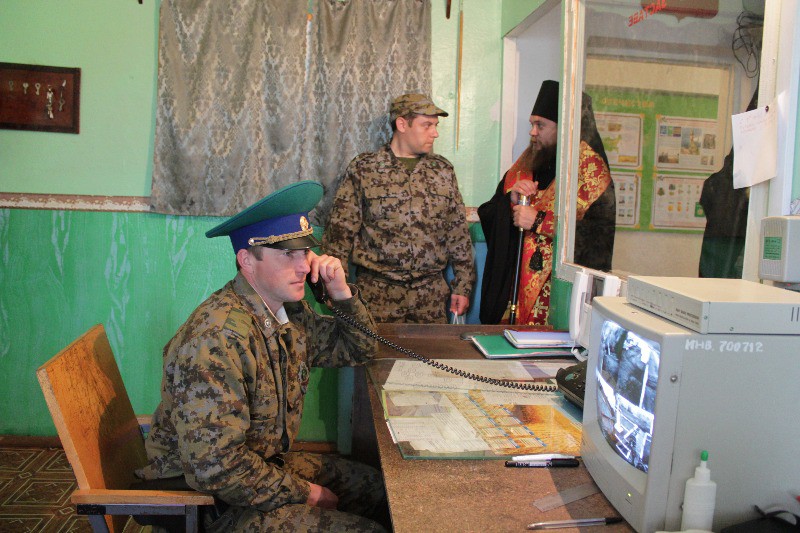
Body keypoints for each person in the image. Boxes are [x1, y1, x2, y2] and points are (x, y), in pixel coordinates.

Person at [135, 181, 388, 532]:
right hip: (208, 502)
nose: (303, 267)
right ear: (246, 261)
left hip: (259, 468)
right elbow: (217, 468)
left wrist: (340, 292)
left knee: (380, 490)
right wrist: (306, 493)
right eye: (287, 254)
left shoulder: (287, 314)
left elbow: (360, 348)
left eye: (305, 253)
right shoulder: (216, 340)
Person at [322, 93, 476, 323]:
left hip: (430, 298)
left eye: (435, 125)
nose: (435, 133)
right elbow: (339, 233)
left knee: (433, 348)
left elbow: (458, 233)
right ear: (402, 124)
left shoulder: (442, 171)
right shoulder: (365, 169)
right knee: (373, 348)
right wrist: (338, 293)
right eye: (427, 125)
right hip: (377, 296)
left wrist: (463, 286)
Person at [478, 80, 615, 325]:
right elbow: (488, 213)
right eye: (532, 124)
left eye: (540, 125)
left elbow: (598, 239)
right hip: (514, 296)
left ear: (565, 129)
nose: (532, 132)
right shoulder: (526, 164)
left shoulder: (591, 174)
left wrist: (539, 221)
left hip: (559, 300)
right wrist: (509, 202)